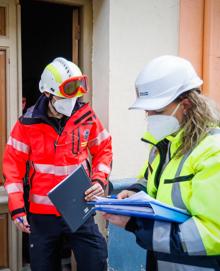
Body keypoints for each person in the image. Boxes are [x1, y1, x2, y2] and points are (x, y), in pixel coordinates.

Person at [103, 55, 220, 270]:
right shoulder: (164, 143)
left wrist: (136, 224)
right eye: (148, 109)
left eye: (157, 110)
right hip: (162, 261)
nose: (149, 115)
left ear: (186, 104)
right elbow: (152, 179)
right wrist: (135, 191)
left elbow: (212, 233)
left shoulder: (213, 152)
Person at [3, 57, 112, 271]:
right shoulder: (27, 123)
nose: (71, 104)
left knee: (96, 261)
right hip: (42, 214)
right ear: (47, 93)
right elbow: (12, 168)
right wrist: (17, 208)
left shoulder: (86, 116)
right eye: (64, 97)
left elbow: (104, 149)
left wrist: (99, 180)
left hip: (78, 207)